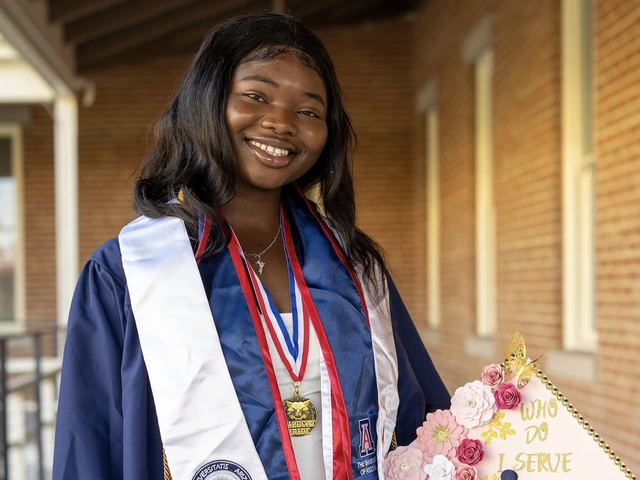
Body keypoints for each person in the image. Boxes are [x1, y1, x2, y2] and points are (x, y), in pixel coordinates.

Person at [52, 11, 450, 480]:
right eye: (255, 96)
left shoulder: (355, 268)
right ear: (208, 101)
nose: (281, 123)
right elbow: (90, 444)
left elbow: (427, 422)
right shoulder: (130, 273)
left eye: (308, 111)